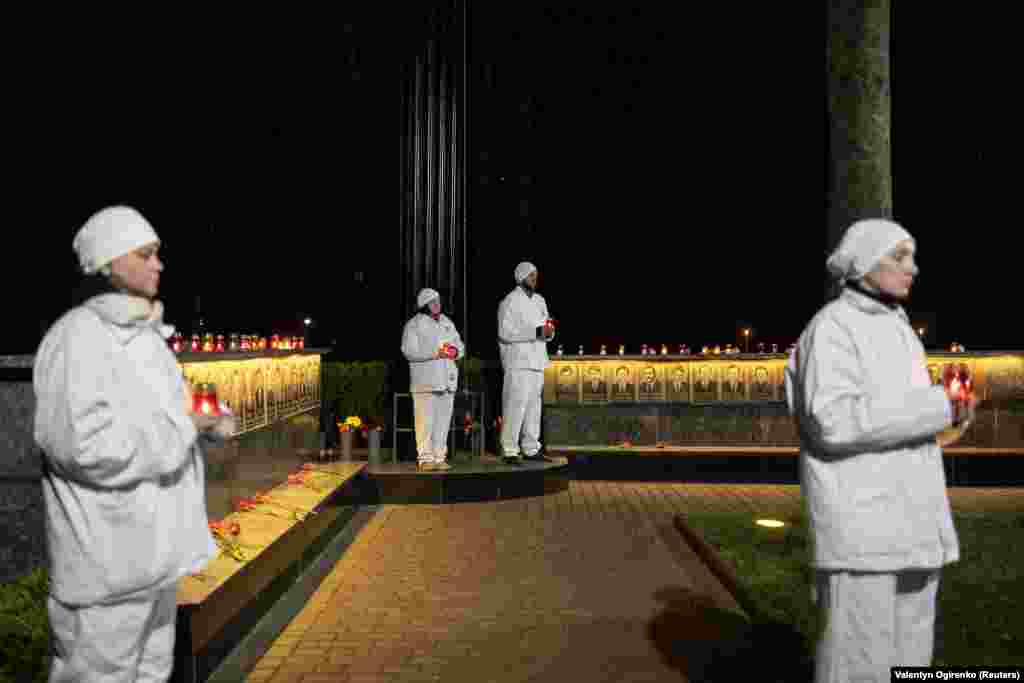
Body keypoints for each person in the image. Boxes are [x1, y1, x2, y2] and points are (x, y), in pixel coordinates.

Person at [33, 206, 235, 683]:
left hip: (154, 562)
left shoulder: (145, 339)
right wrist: (187, 427)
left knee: (150, 674)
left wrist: (209, 421)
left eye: (158, 254)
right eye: (145, 254)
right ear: (107, 263)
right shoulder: (77, 338)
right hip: (107, 568)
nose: (158, 264)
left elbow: (174, 417)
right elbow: (85, 449)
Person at [785, 218, 977, 682]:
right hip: (863, 533)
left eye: (912, 256)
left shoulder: (898, 327)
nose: (913, 267)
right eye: (899, 256)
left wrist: (954, 415)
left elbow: (898, 423)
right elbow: (831, 422)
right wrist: (936, 406)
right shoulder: (831, 329)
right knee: (858, 663)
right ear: (864, 262)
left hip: (914, 526)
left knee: (911, 660)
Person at [497, 262, 555, 464]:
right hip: (519, 362)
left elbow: (546, 327)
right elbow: (505, 333)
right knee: (515, 405)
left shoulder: (540, 300)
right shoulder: (510, 301)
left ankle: (531, 447)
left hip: (538, 361)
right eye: (531, 275)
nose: (535, 279)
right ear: (520, 277)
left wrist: (548, 332)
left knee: (533, 407)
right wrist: (535, 333)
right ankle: (510, 449)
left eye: (536, 276)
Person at [401, 288, 464, 471]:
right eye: (432, 301)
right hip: (425, 382)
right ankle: (425, 458)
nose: (437, 304)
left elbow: (460, 346)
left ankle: (439, 457)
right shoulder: (414, 324)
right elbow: (409, 351)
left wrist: (456, 352)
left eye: (438, 301)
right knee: (425, 422)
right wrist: (435, 353)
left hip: (448, 380)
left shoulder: (447, 322)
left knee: (443, 422)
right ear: (424, 304)